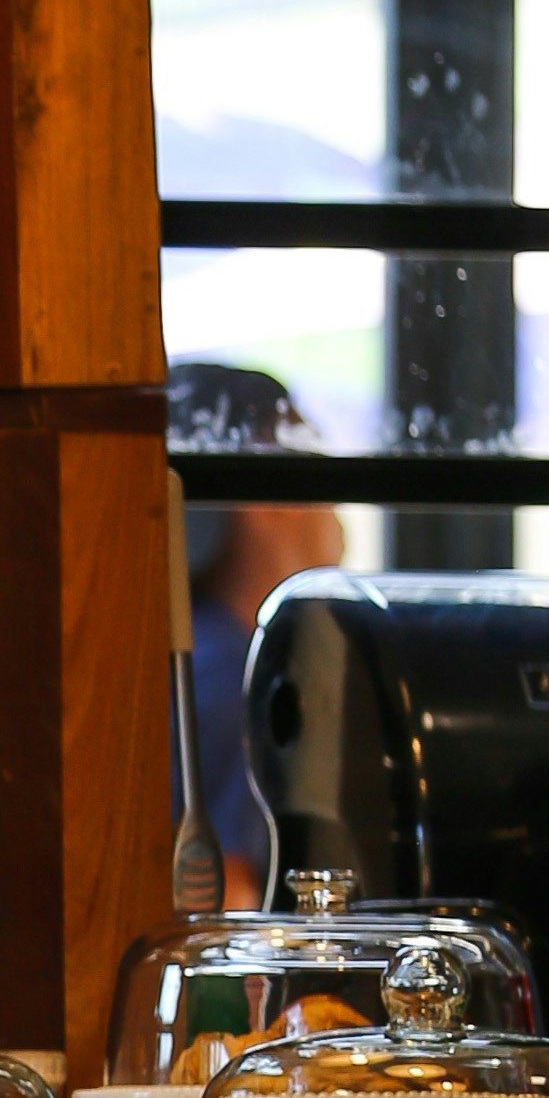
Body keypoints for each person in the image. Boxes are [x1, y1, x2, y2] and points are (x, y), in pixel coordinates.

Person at [168, 361, 345, 904]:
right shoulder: (230, 678)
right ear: (264, 502)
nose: (334, 508)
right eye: (307, 460)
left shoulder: (201, 654)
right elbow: (229, 900)